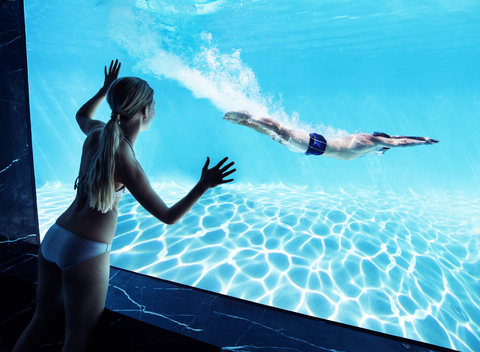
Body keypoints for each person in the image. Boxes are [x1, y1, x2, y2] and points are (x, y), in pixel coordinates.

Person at [13, 60, 236, 352]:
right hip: (84, 250)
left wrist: (103, 90)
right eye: (153, 104)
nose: (155, 110)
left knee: (40, 321)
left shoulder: (96, 134)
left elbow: (82, 114)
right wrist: (202, 185)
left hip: (56, 235)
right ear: (144, 112)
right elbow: (168, 216)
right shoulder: (128, 162)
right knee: (77, 339)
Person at [224, 111, 438, 160]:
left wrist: (421, 137)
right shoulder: (372, 141)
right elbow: (398, 143)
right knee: (281, 132)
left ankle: (243, 122)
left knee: (277, 137)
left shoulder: (370, 142)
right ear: (381, 139)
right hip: (318, 147)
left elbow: (397, 137)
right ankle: (249, 116)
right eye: (385, 144)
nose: (385, 147)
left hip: (317, 147)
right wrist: (424, 143)